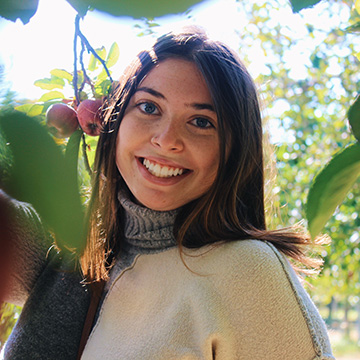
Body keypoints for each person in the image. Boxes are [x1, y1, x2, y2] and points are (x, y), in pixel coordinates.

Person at [1, 28, 334, 360]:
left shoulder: (248, 272)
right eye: (148, 107)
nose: (166, 139)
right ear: (115, 120)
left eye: (202, 122)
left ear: (233, 149)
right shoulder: (72, 252)